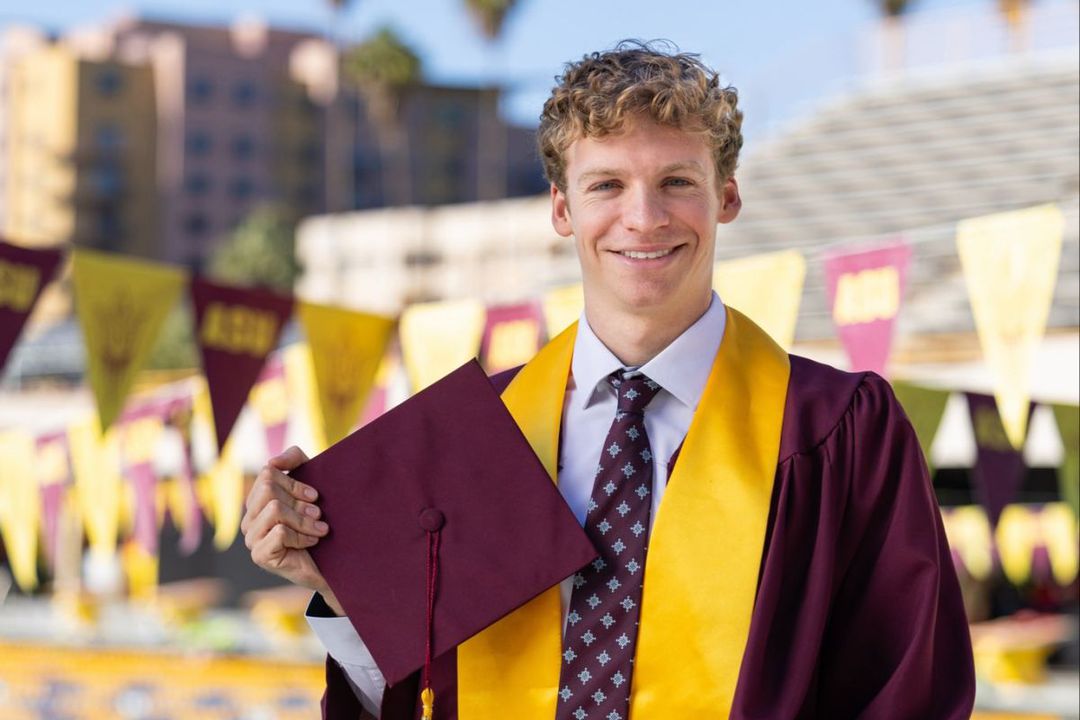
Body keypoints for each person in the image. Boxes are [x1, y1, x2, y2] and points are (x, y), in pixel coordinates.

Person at [242, 42, 975, 719]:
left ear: (726, 197)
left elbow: (905, 692)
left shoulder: (835, 430)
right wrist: (346, 590)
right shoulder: (482, 432)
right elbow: (419, 700)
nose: (643, 218)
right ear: (563, 209)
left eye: (676, 182)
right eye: (607, 185)